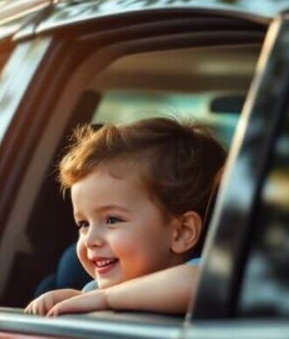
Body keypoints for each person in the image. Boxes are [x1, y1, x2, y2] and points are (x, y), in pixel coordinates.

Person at [25, 117, 226, 317]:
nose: (90, 240)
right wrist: (77, 299)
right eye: (84, 224)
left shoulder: (199, 275)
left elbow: (202, 282)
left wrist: (105, 299)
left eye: (112, 220)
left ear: (182, 232)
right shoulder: (96, 290)